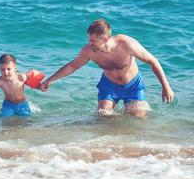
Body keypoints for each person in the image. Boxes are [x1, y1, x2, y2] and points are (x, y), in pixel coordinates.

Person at [41, 19, 174, 119]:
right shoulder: (89, 50)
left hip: (133, 85)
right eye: (88, 39)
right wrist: (51, 79)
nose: (89, 43)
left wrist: (166, 86)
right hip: (109, 85)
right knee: (104, 116)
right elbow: (73, 65)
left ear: (105, 39)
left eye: (93, 40)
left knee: (139, 117)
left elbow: (153, 61)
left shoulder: (127, 44)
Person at [0, 54, 42, 118]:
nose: (5, 72)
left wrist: (41, 87)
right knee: (3, 120)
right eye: (2, 69)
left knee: (27, 121)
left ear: (15, 68)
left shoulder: (21, 77)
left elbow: (33, 84)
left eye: (8, 69)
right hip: (8, 106)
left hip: (23, 105)